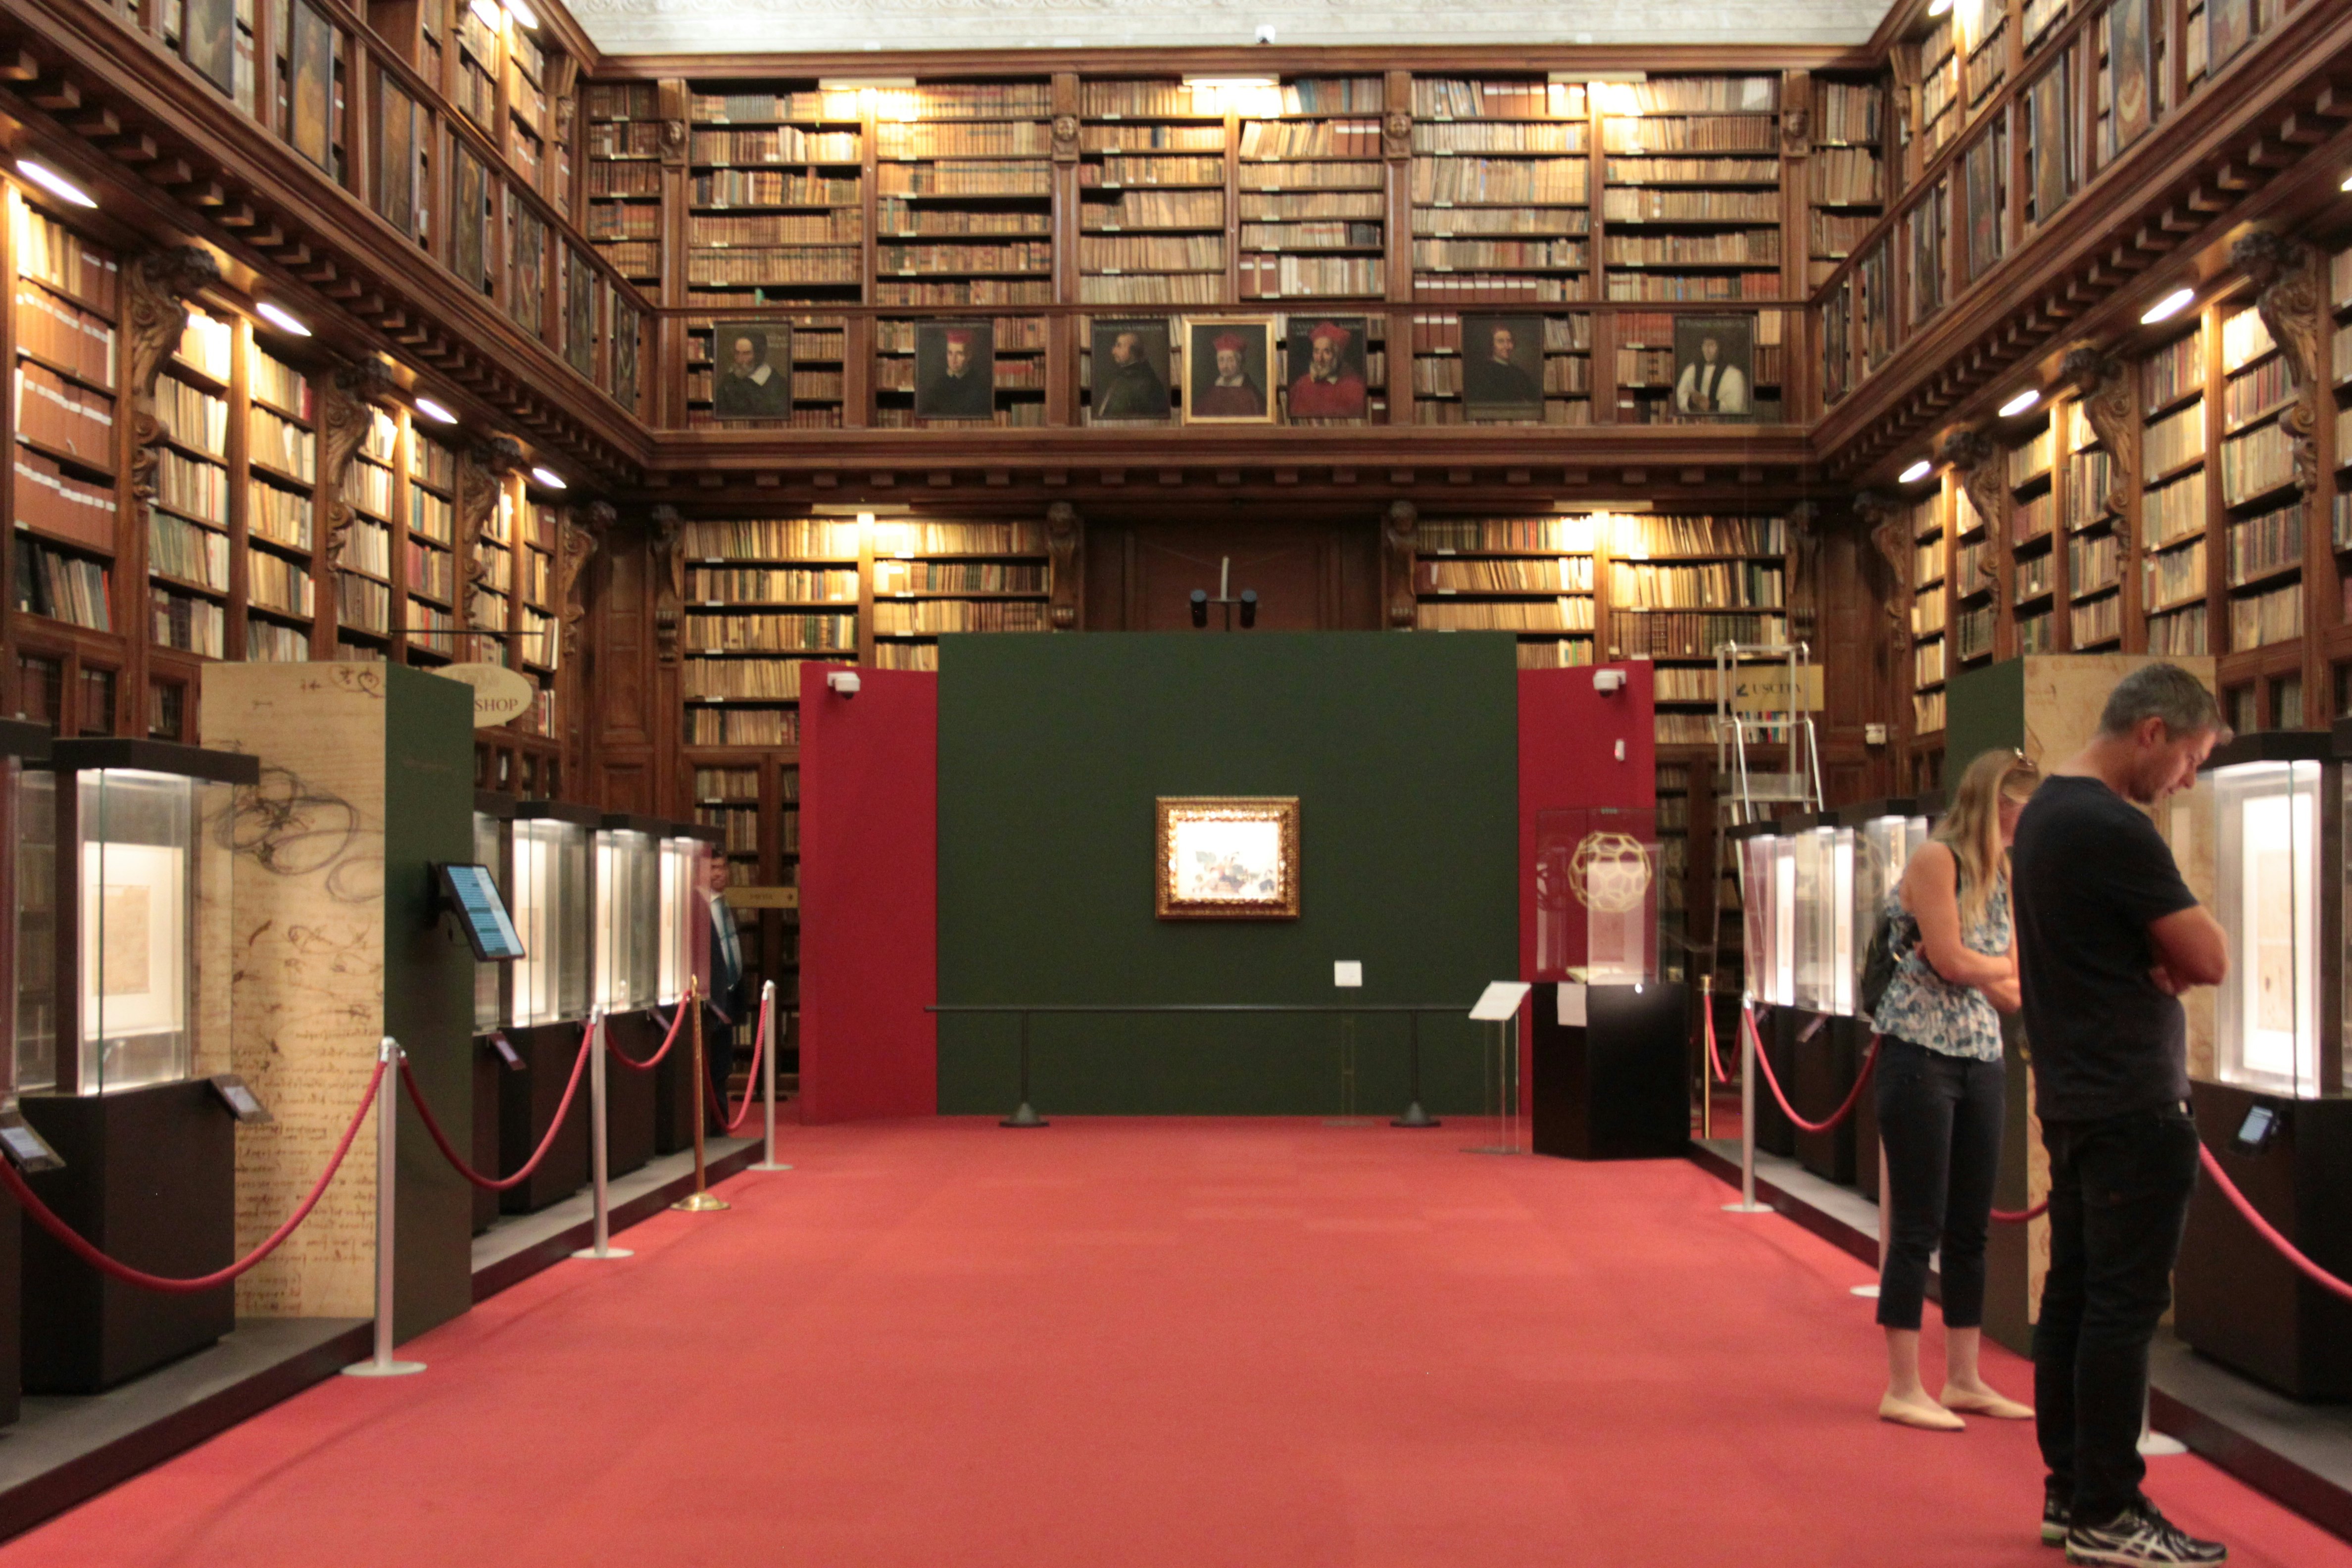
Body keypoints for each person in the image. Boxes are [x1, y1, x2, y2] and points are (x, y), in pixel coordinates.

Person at [2012, 662, 2230, 1568]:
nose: (2186, 780)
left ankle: (2071, 1489)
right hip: (2132, 1100)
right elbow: (2209, 957)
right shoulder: (2113, 825)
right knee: (2121, 1308)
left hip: (2074, 1093)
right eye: (2189, 758)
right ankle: (2109, 1506)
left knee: (2074, 1295)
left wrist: (2156, 951)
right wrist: (2168, 954)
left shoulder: (2044, 813)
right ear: (2151, 732)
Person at [1868, 748, 2040, 1433]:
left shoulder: (2005, 873)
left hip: (1981, 1054)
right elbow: (1949, 958)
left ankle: (1964, 1378)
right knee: (1918, 1225)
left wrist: (1977, 966)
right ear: (1996, 803)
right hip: (1918, 1053)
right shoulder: (1936, 860)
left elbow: (2011, 984)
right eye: (2020, 810)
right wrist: (1981, 967)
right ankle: (1902, 1384)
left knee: (1970, 1227)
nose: (2025, 824)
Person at [699, 852, 745, 1114]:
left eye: (723, 867)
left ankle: (721, 1121)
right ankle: (715, 1122)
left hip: (729, 994)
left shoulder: (725, 905)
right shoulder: (699, 908)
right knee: (713, 1065)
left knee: (723, 1065)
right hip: (711, 999)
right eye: (714, 868)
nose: (720, 873)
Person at [1287, 321, 1366, 418]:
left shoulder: (1355, 388)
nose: (1320, 359)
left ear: (1337, 356)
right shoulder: (1302, 384)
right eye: (1316, 352)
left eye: (1327, 352)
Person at [1093, 328, 1169, 420]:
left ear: (1133, 351)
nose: (1113, 352)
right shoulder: (1122, 376)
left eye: (1119, 346)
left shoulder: (1147, 382)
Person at [1464, 321, 1540, 411]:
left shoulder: (1519, 372)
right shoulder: (1483, 373)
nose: (1507, 346)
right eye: (1501, 342)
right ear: (1491, 345)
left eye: (1509, 341)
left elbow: (1534, 400)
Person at [712, 330, 790, 418]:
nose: (740, 360)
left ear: (759, 355)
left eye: (746, 354)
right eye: (737, 353)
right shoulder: (728, 381)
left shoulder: (777, 385)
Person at [921, 327, 993, 419]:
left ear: (969, 355)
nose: (953, 360)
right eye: (950, 353)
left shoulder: (979, 386)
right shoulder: (938, 385)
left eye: (959, 354)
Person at [1192, 332, 1266, 418]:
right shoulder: (1210, 392)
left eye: (1230, 360)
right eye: (1221, 360)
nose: (1225, 366)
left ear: (1239, 362)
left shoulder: (1252, 394)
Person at [1675, 334, 1749, 416]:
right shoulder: (1692, 370)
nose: (1707, 350)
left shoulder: (1734, 375)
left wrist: (1710, 405)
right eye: (1705, 345)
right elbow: (1681, 398)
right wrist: (1692, 401)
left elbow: (1737, 407)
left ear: (1720, 347)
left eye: (1712, 345)